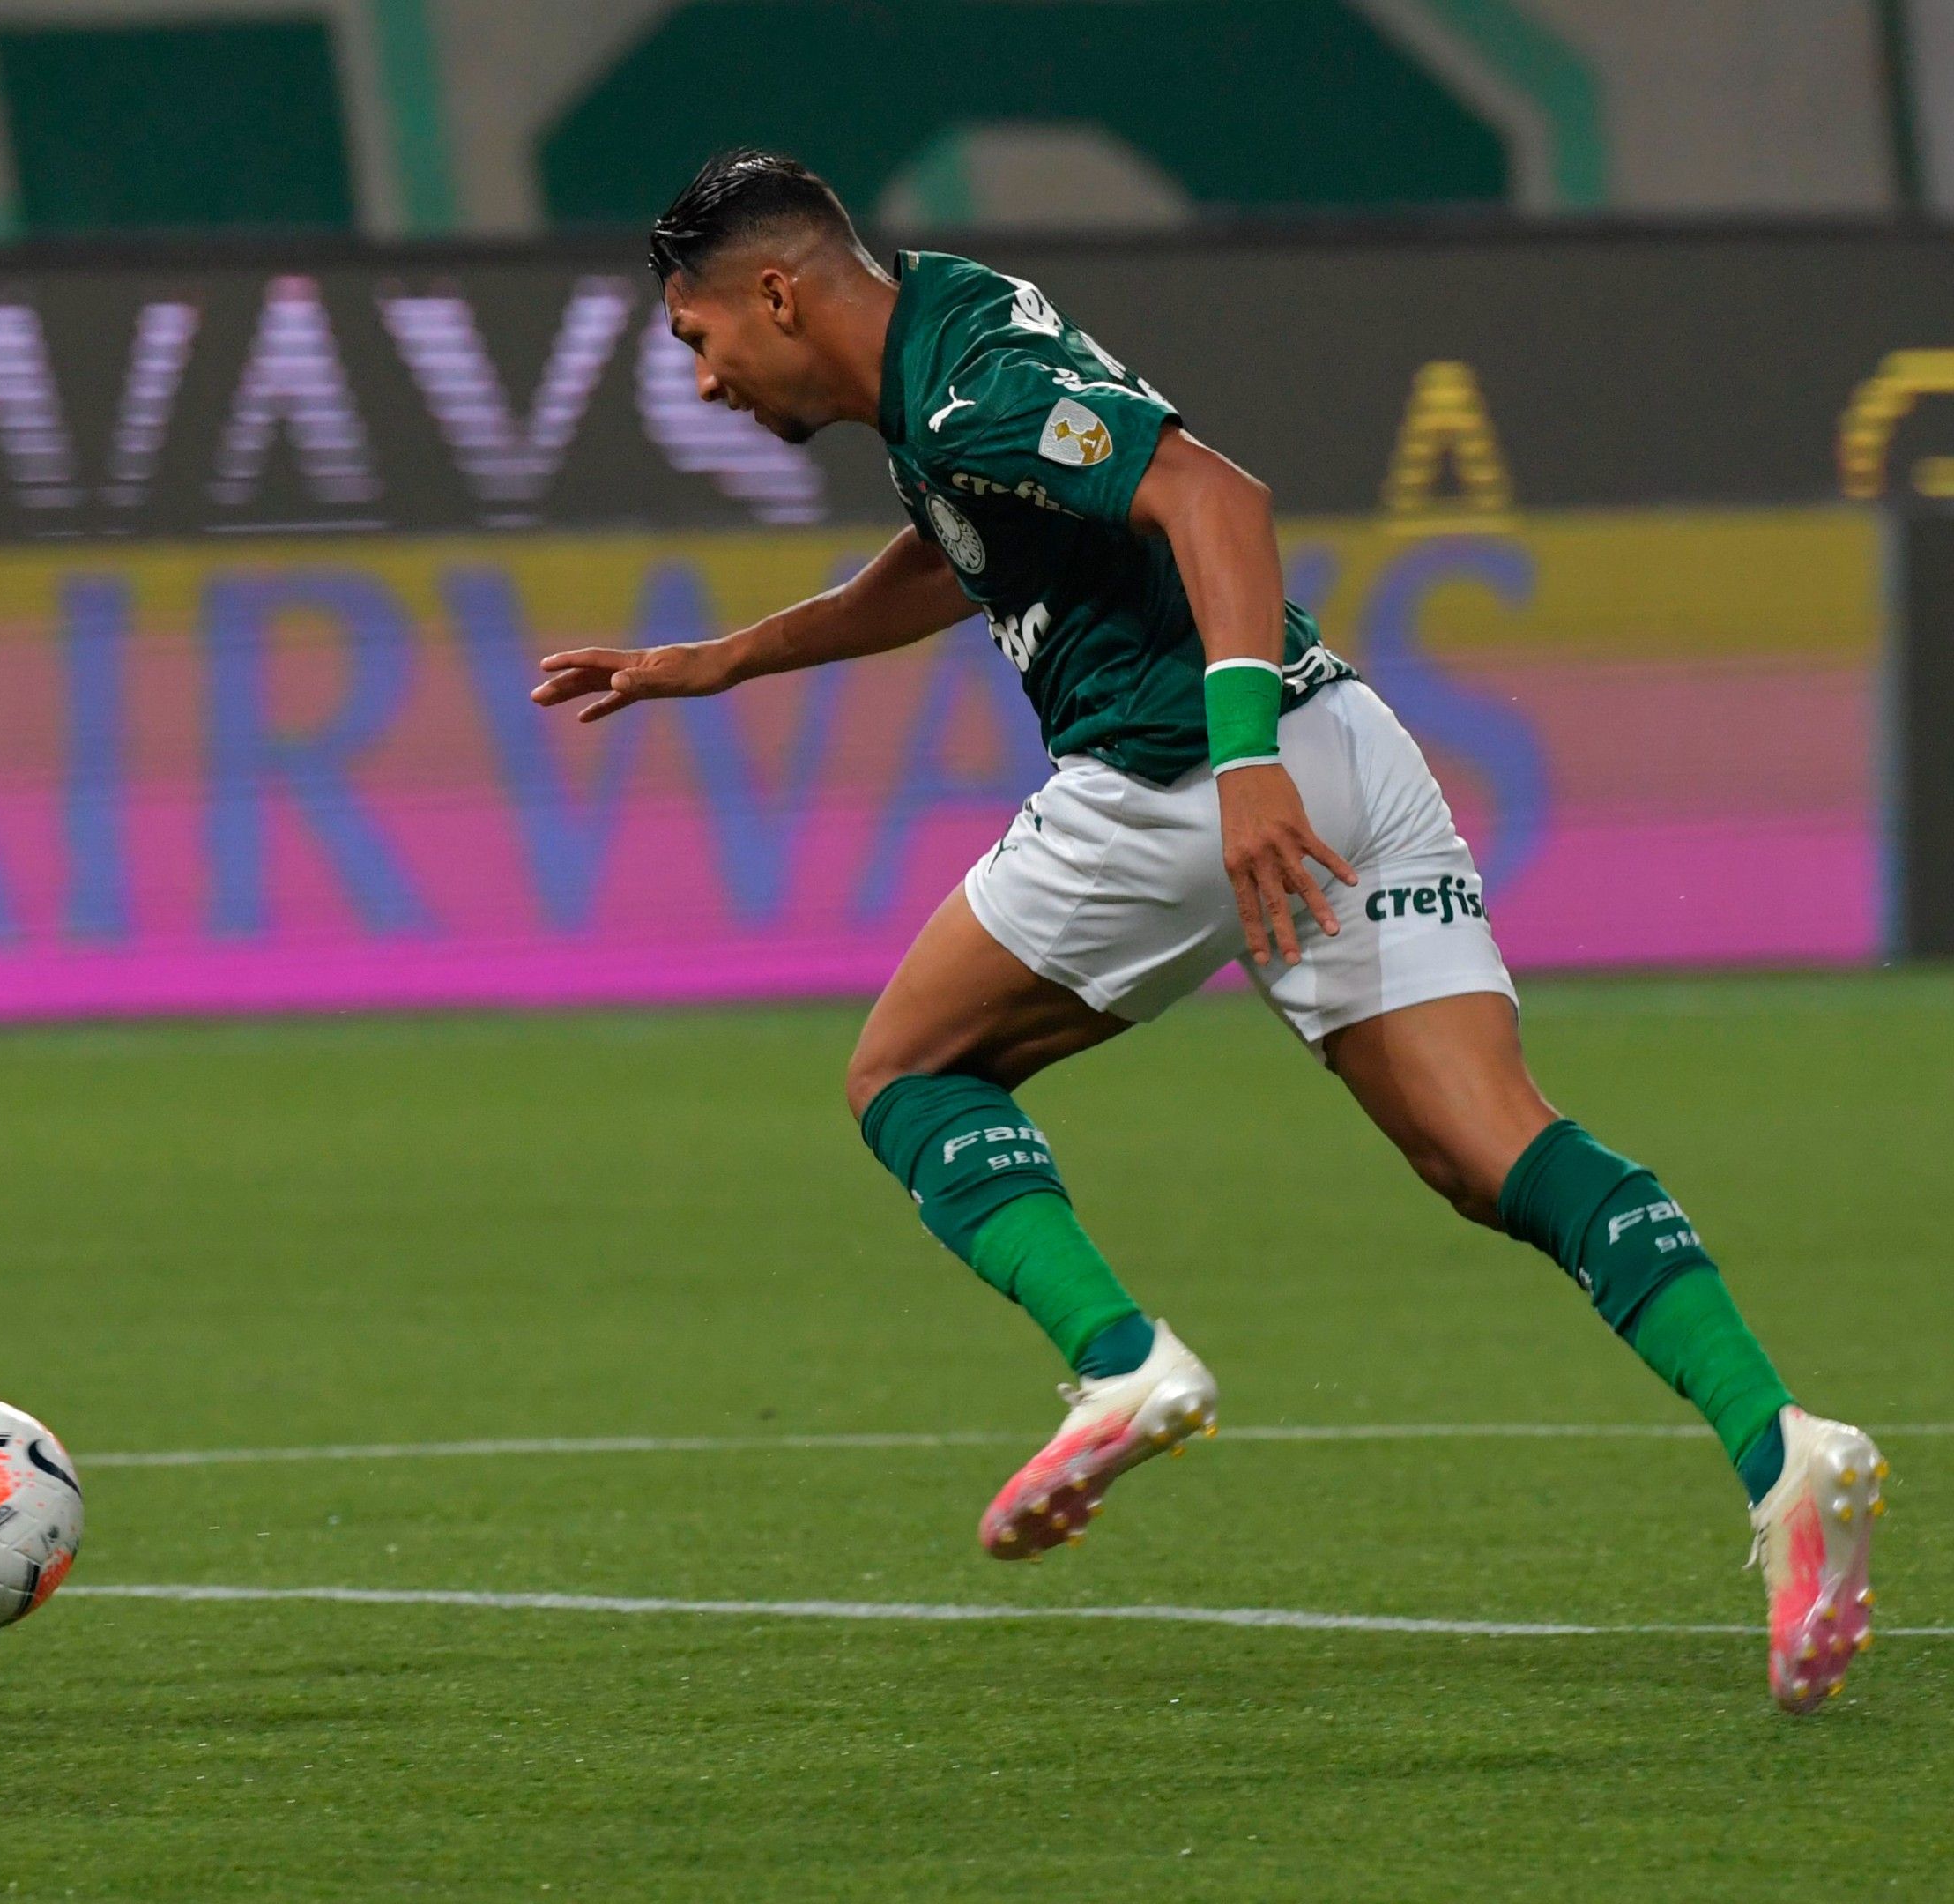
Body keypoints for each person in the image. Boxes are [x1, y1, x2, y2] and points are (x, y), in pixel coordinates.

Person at [531, 151, 1884, 1711]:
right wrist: (727, 660)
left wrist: (1237, 766)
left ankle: (1121, 1363)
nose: (702, 382)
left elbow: (1212, 496)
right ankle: (1785, 1450)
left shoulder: (966, 390)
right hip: (1344, 745)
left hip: (1186, 773)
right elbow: (967, 554)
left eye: (698, 341)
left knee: (909, 1075)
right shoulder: (950, 334)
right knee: (1490, 1151)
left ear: (776, 293)